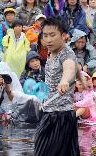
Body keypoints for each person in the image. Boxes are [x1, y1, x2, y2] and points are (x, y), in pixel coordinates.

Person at [34, 16, 79, 156]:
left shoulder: (66, 54)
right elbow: (77, 67)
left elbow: (70, 67)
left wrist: (65, 80)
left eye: (53, 35)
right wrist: (81, 77)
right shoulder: (51, 51)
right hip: (52, 111)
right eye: (45, 35)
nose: (48, 39)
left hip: (59, 116)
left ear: (64, 36)